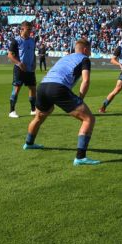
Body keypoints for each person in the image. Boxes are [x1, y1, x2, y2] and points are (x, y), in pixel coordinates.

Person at [22, 38, 100, 166]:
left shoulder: (65, 58)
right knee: (88, 119)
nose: (90, 51)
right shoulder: (85, 59)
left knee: (40, 116)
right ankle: (80, 157)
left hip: (43, 86)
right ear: (85, 49)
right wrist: (80, 98)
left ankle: (28, 143)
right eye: (90, 49)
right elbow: (85, 80)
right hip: (58, 87)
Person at [7, 21, 37, 118]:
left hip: (30, 69)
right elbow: (10, 55)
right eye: (28, 29)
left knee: (32, 88)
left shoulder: (32, 41)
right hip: (19, 69)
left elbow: (33, 53)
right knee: (17, 89)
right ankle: (12, 111)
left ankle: (33, 110)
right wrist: (19, 63)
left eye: (31, 29)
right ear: (22, 29)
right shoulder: (16, 41)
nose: (30, 31)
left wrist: (34, 63)